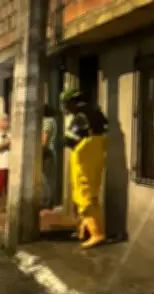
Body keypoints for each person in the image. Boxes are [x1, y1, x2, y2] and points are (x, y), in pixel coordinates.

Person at [61, 88, 107, 249]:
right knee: (92, 196)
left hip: (83, 161)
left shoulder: (81, 116)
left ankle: (96, 234)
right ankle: (85, 229)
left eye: (66, 105)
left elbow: (69, 139)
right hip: (97, 160)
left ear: (73, 102)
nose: (66, 109)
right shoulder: (98, 113)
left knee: (83, 197)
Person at [41, 105, 59, 211]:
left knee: (46, 179)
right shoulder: (52, 121)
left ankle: (47, 203)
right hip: (49, 152)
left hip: (47, 153)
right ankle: (47, 202)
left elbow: (44, 141)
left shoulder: (47, 121)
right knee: (46, 178)